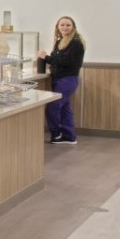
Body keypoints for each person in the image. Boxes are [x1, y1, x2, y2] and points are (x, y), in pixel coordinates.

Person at [36, 15, 86, 145]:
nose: (65, 27)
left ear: (73, 27)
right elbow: (55, 60)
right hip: (59, 78)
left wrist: (45, 57)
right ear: (57, 27)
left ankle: (56, 134)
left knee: (52, 107)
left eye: (68, 25)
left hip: (67, 79)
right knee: (64, 107)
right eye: (62, 25)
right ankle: (70, 136)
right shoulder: (60, 41)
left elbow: (65, 61)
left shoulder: (76, 42)